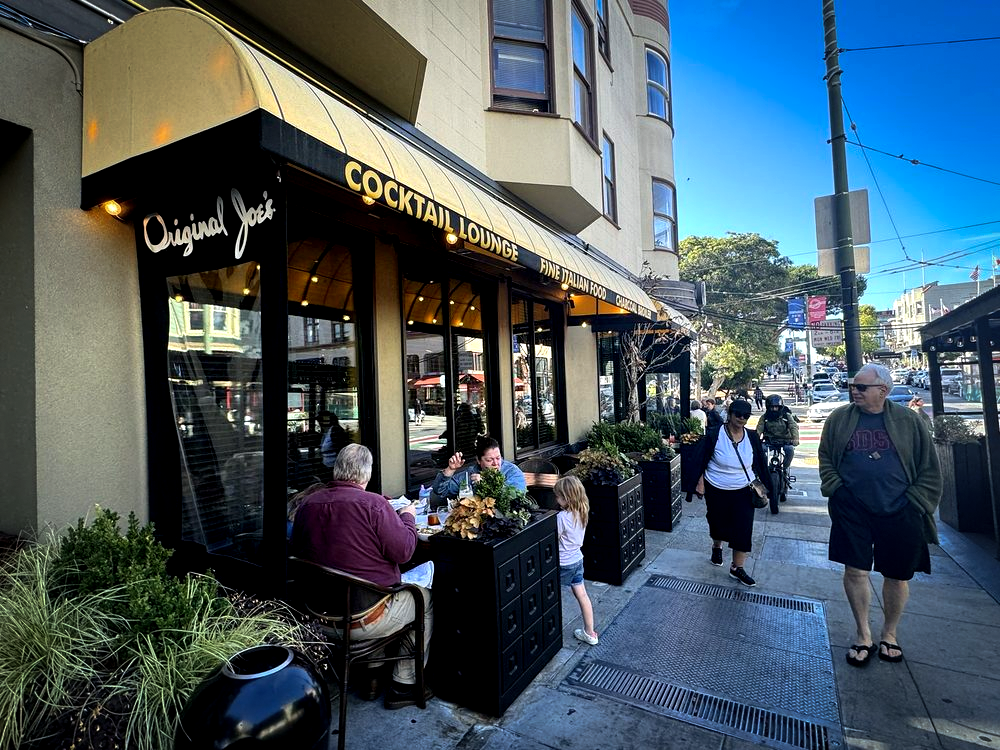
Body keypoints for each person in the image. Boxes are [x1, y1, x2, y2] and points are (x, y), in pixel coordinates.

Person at [291, 444, 433, 709]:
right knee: (422, 598)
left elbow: (298, 549)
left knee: (369, 591)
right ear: (367, 474)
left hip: (318, 614)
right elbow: (404, 551)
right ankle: (405, 684)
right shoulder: (374, 505)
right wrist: (407, 517)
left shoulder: (308, 505)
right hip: (363, 619)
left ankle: (372, 678)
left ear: (336, 469)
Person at [818, 363, 941, 668]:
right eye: (853, 386)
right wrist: (837, 489)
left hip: (900, 509)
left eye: (861, 387)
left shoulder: (908, 421)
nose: (854, 391)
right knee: (855, 571)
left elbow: (929, 465)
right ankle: (863, 635)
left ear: (883, 390)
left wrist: (916, 501)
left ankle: (890, 634)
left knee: (897, 575)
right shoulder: (839, 419)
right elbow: (826, 457)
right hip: (852, 508)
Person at [686, 399, 772, 587]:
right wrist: (699, 483)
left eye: (746, 416)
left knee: (743, 528)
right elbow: (700, 459)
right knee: (718, 524)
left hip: (744, 489)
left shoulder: (751, 437)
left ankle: (737, 567)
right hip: (716, 487)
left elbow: (760, 462)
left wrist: (768, 487)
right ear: (730, 414)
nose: (742, 418)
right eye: (738, 414)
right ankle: (717, 546)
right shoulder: (714, 434)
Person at [554, 475, 599, 646]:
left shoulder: (561, 518)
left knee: (553, 597)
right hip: (577, 560)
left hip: (563, 563)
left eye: (558, 496)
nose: (556, 500)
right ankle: (590, 632)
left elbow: (555, 538)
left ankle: (552, 634)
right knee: (582, 595)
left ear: (567, 498)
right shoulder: (582, 511)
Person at [433, 435, 526, 499]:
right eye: (489, 460)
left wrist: (486, 485)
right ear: (478, 460)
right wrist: (450, 470)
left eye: (498, 458)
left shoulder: (512, 471)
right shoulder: (472, 473)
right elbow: (440, 491)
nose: (496, 463)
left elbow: (514, 497)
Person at [755, 394, 799, 476]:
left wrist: (795, 439)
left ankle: (785, 469)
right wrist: (756, 440)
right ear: (768, 407)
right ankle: (763, 469)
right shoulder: (764, 417)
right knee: (760, 450)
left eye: (776, 407)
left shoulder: (786, 416)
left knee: (790, 450)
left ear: (780, 407)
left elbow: (793, 427)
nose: (774, 409)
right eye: (772, 407)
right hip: (769, 441)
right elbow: (759, 429)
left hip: (785, 441)